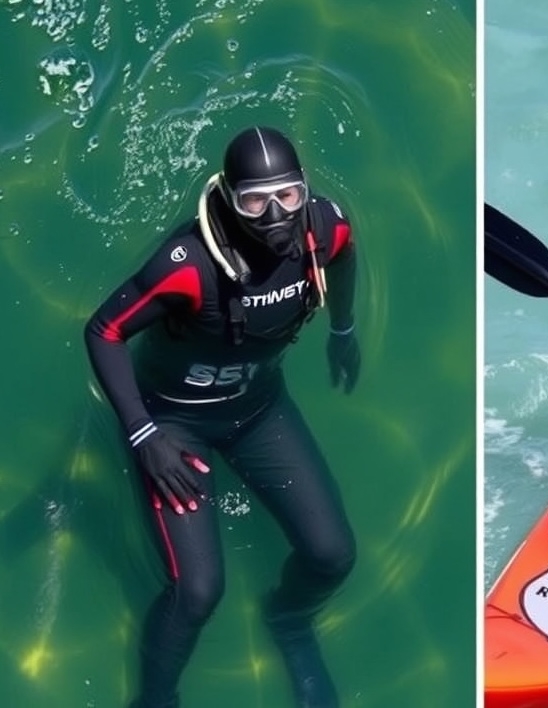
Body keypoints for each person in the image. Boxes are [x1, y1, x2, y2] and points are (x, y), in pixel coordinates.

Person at [84, 126, 361, 708]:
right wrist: (144, 433)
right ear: (231, 199)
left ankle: (289, 621)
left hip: (260, 411)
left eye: (287, 195)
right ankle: (154, 701)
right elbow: (104, 331)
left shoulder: (325, 227)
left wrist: (343, 328)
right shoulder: (184, 265)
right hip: (174, 426)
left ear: (303, 188)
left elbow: (346, 253)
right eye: (254, 201)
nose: (274, 215)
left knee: (333, 556)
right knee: (198, 593)